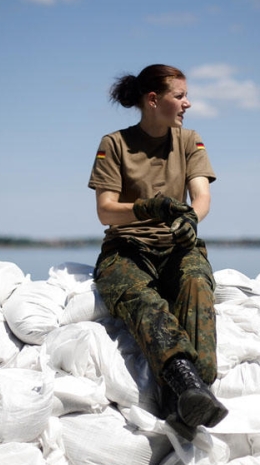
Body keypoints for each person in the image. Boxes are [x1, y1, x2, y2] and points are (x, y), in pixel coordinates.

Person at [88, 63, 228, 440]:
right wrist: (147, 209)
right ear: (153, 100)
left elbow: (202, 197)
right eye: (180, 96)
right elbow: (105, 210)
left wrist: (190, 220)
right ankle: (186, 383)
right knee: (143, 300)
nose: (188, 103)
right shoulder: (114, 144)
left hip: (177, 244)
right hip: (127, 248)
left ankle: (197, 389)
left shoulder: (189, 140)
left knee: (196, 285)